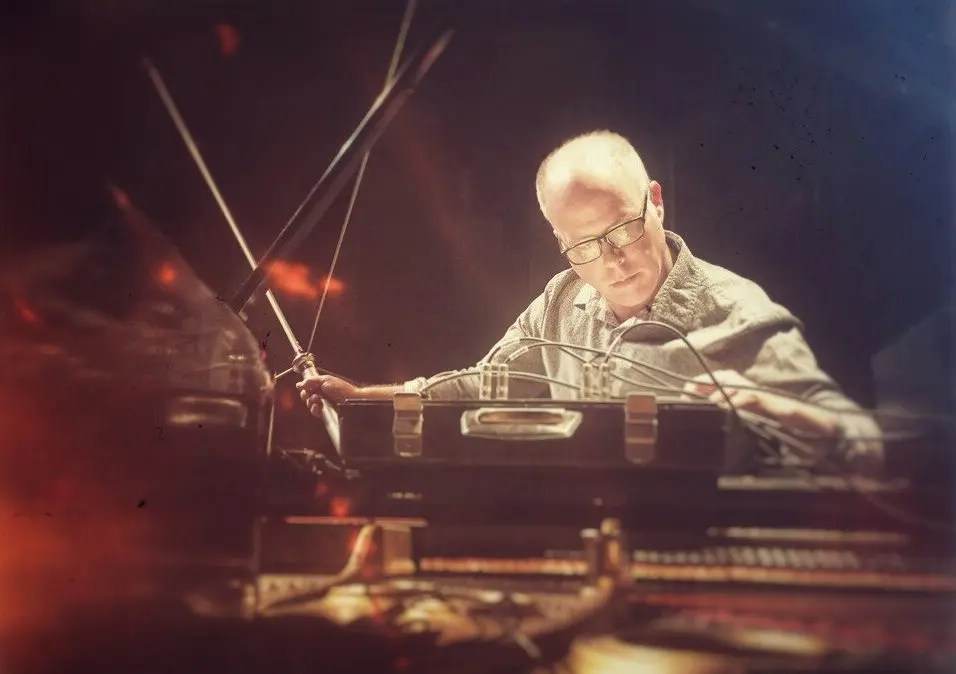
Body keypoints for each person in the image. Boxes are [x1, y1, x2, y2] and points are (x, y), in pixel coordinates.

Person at [298, 130, 883, 473]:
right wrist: (364, 400)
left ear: (655, 201)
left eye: (622, 230)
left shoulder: (734, 311)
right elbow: (483, 386)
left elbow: (863, 445)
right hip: (574, 552)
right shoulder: (561, 300)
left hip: (700, 560)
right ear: (559, 242)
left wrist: (777, 409)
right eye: (582, 246)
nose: (612, 260)